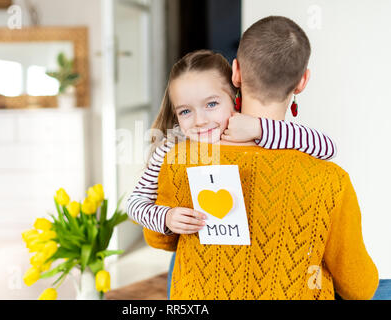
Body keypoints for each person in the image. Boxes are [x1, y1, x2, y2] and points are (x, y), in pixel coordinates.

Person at [141, 16, 378, 300]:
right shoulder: (331, 180)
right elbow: (360, 287)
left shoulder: (180, 158)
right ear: (302, 82)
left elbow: (157, 238)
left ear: (236, 73)